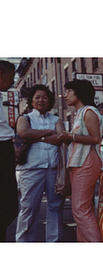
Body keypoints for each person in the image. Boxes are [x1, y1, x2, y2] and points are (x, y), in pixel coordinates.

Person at [15, 85, 65, 242]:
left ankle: (53, 242)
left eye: (44, 97)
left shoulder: (56, 119)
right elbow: (24, 133)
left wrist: (38, 137)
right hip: (31, 169)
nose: (41, 100)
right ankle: (24, 243)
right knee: (29, 208)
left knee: (55, 207)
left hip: (53, 169)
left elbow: (60, 138)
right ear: (31, 100)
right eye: (37, 97)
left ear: (50, 100)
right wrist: (49, 132)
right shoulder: (25, 118)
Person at [58, 79, 102, 242]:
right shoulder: (79, 113)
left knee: (80, 209)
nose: (66, 95)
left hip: (86, 161)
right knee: (84, 208)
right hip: (78, 161)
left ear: (79, 93)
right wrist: (69, 138)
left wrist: (71, 136)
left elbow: (95, 138)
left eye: (69, 91)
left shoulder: (89, 112)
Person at [0, 60, 18, 242]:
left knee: (9, 206)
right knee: (7, 206)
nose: (13, 82)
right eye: (12, 76)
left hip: (5, 149)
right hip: (2, 149)